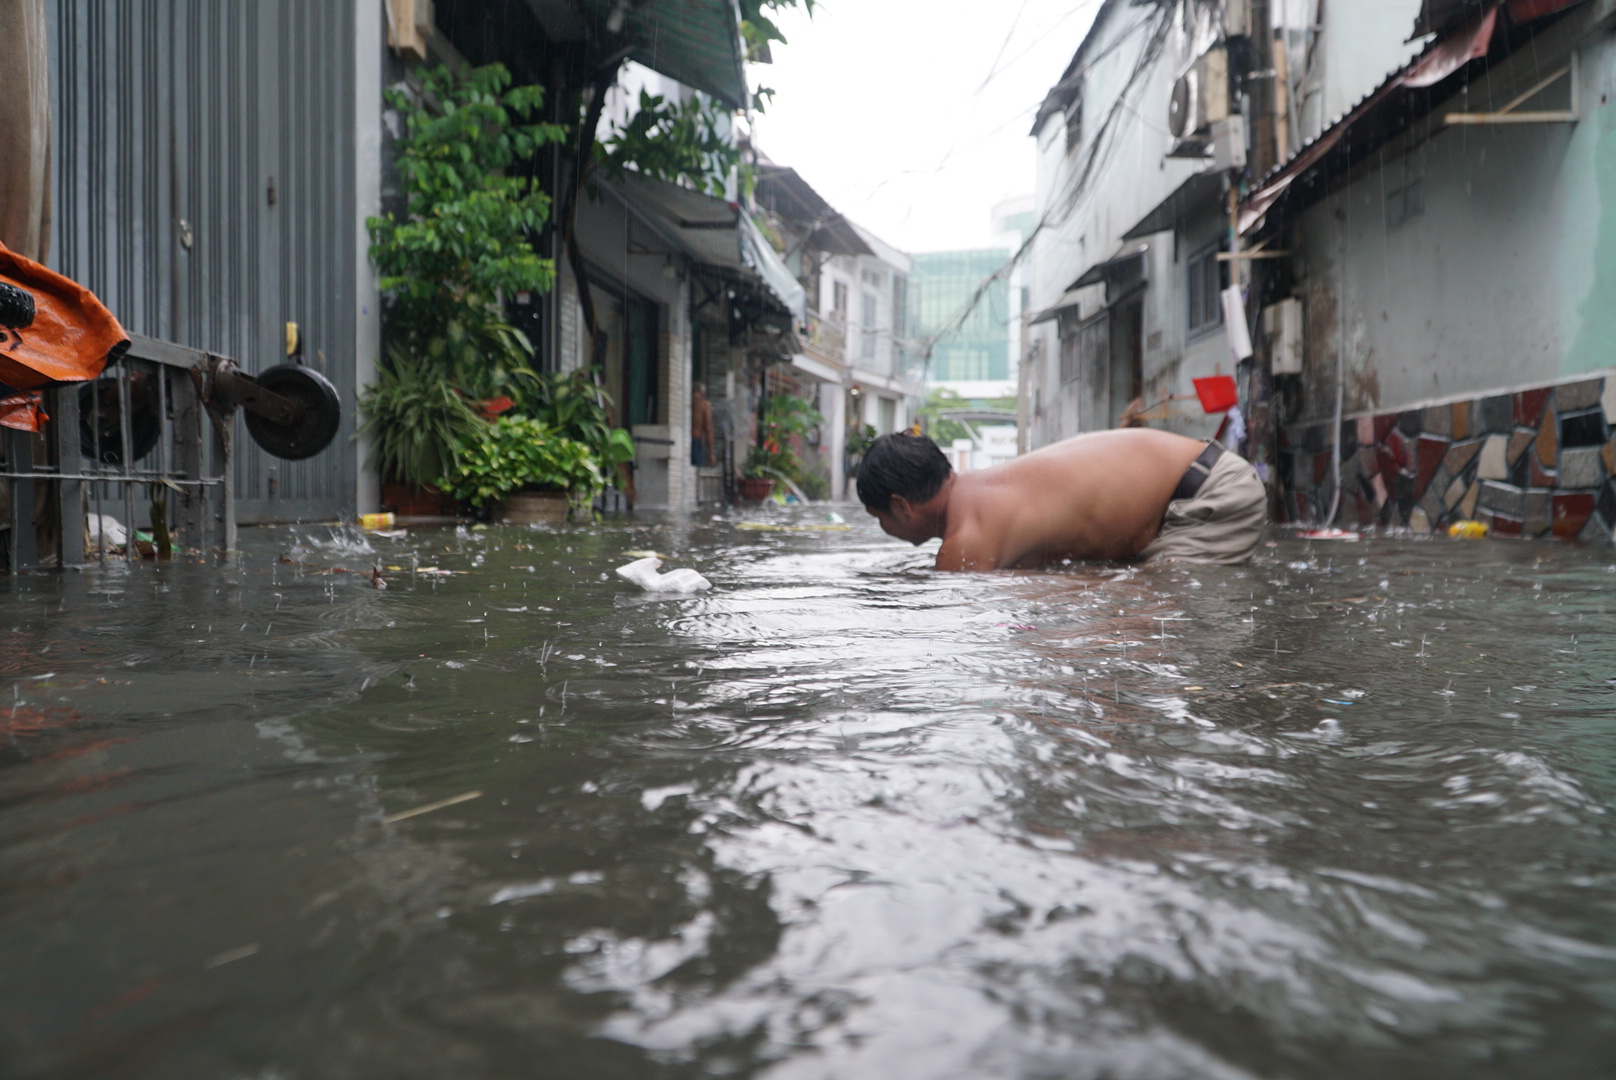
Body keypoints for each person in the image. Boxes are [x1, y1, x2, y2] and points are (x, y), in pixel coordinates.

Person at [856, 429, 1266, 570]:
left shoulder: (966, 541)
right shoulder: (978, 492)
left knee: (1153, 610)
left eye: (879, 518)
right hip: (1202, 477)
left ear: (900, 505)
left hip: (1208, 497)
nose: (884, 529)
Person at [690, 384, 714, 467]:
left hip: (684, 438)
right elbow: (708, 428)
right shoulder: (704, 405)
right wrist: (711, 453)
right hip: (696, 439)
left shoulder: (688, 402)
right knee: (696, 468)